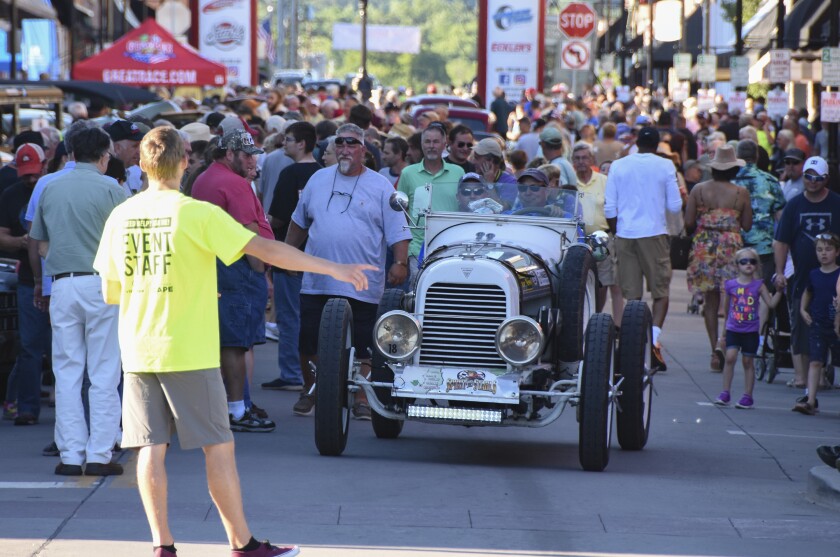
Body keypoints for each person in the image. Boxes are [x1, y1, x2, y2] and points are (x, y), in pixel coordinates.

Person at [94, 126, 376, 557]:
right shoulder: (194, 213)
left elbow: (111, 290)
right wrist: (333, 268)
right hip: (187, 348)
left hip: (137, 346)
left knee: (149, 449)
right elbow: (266, 250)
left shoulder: (121, 215)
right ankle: (242, 543)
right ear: (185, 162)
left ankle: (162, 546)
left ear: (143, 164)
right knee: (218, 448)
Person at [285, 124, 411, 418]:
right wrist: (287, 255)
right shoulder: (318, 179)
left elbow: (398, 230)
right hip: (317, 277)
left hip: (362, 280)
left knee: (365, 343)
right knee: (308, 338)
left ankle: (363, 397)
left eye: (351, 144)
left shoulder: (380, 186)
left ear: (364, 151)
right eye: (338, 143)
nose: (344, 149)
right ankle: (311, 389)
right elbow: (298, 222)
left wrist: (401, 263)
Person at [29, 126, 127, 476]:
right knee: (104, 371)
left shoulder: (50, 187)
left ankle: (70, 454)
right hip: (104, 284)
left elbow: (39, 243)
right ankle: (100, 453)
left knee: (66, 371)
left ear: (69, 154)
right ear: (104, 156)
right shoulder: (112, 190)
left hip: (63, 285)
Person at [191, 129, 276, 433]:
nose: (253, 159)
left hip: (218, 268)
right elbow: (251, 236)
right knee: (235, 344)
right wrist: (261, 270)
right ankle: (237, 409)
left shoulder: (207, 177)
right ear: (230, 154)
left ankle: (234, 405)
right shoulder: (233, 183)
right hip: (236, 270)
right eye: (248, 154)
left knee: (229, 342)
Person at [605, 127, 683, 372]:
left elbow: (610, 208)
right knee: (660, 291)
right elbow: (674, 205)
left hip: (626, 234)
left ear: (637, 143)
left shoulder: (619, 165)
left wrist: (619, 230)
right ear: (658, 144)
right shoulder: (665, 166)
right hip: (654, 233)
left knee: (632, 295)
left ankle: (632, 344)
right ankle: (653, 337)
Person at [262, 122, 322, 392]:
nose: (283, 143)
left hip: (290, 252)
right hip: (319, 254)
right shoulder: (324, 174)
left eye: (288, 139)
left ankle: (291, 372)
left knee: (288, 316)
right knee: (314, 317)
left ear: (302, 143)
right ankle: (315, 372)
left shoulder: (290, 173)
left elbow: (278, 218)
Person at [774, 156, 840, 393]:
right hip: (802, 274)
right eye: (808, 177)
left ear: (826, 179)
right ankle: (802, 376)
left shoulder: (835, 203)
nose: (812, 182)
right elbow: (780, 241)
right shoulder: (794, 204)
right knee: (800, 324)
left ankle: (820, 374)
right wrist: (780, 272)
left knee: (830, 322)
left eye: (817, 178)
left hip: (833, 276)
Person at [685, 145, 753, 372]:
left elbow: (688, 223)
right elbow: (746, 225)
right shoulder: (740, 193)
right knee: (732, 297)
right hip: (730, 246)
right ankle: (724, 341)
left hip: (705, 246)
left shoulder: (698, 190)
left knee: (710, 301)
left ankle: (714, 346)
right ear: (733, 169)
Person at [0, 144, 48, 425]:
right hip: (29, 280)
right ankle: (27, 408)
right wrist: (20, 243)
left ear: (44, 165)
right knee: (29, 346)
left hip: (51, 279)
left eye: (34, 172)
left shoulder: (51, 189)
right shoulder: (11, 194)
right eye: (25, 174)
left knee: (60, 350)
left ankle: (70, 410)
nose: (30, 179)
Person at [714, 248, 781, 409]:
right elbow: (727, 308)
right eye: (744, 261)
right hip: (733, 328)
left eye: (752, 261)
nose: (748, 264)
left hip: (750, 330)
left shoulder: (759, 285)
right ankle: (725, 392)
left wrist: (779, 291)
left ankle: (747, 395)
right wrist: (723, 331)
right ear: (737, 265)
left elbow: (770, 304)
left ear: (757, 265)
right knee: (730, 357)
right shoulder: (730, 285)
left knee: (747, 361)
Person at [398, 122, 464, 279]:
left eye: (436, 142)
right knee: (417, 295)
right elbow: (400, 211)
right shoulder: (408, 173)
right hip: (417, 250)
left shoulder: (458, 172)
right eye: (427, 141)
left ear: (444, 145)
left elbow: (465, 208)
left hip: (450, 248)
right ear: (421, 145)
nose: (431, 146)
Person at [572, 142, 623, 325]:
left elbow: (615, 207)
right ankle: (584, 317)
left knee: (602, 282)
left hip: (602, 240)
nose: (581, 162)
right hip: (576, 239)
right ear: (572, 161)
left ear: (592, 160)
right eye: (577, 158)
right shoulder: (569, 182)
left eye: (585, 157)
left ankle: (596, 318)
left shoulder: (604, 181)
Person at [794, 233, 840, 415]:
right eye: (820, 250)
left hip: (837, 325)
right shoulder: (813, 274)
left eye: (828, 249)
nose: (824, 254)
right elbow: (808, 292)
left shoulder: (839, 274)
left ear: (837, 252)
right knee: (815, 361)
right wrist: (803, 310)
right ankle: (811, 400)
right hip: (819, 323)